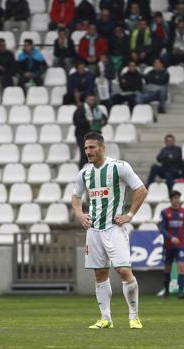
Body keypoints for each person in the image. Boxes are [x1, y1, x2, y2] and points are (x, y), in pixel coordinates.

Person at [72, 132, 148, 329]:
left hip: (114, 228)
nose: (88, 151)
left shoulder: (119, 167)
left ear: (102, 148)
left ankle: (134, 316)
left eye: (92, 147)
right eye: (86, 148)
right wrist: (80, 214)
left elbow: (141, 189)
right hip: (94, 230)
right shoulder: (84, 173)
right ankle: (106, 318)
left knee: (123, 271)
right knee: (100, 275)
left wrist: (129, 215)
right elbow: (76, 196)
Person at [74, 94, 106, 167]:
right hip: (82, 135)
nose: (92, 101)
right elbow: (76, 121)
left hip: (95, 136)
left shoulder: (96, 109)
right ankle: (82, 173)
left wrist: (103, 121)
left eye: (93, 100)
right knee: (85, 154)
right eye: (90, 99)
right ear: (86, 100)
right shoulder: (81, 109)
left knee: (95, 155)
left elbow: (103, 117)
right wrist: (87, 122)